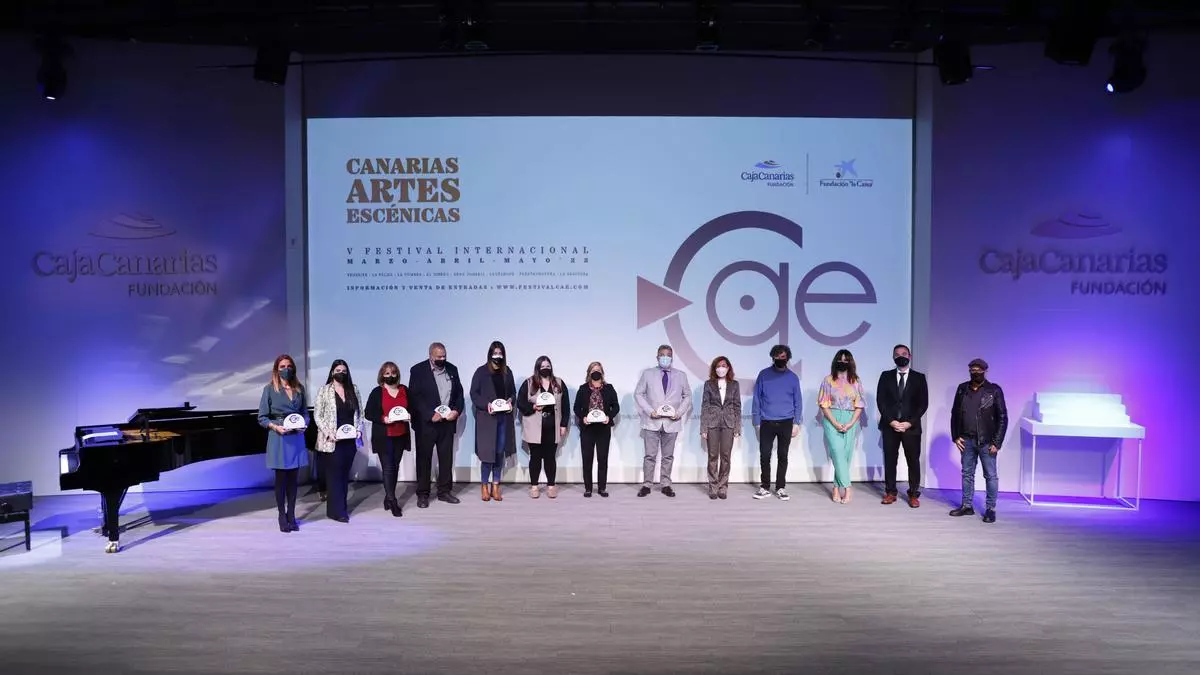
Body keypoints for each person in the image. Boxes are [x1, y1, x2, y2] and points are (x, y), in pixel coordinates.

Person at [950, 358, 1008, 523]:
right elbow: (955, 413)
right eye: (972, 370)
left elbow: (1002, 417)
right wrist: (955, 436)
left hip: (987, 441)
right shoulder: (962, 389)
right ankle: (967, 506)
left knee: (990, 475)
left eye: (978, 370)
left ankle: (990, 509)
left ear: (985, 371)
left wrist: (997, 442)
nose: (975, 372)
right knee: (967, 474)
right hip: (966, 440)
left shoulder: (994, 390)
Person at [408, 342, 465, 509]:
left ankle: (444, 492)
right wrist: (429, 415)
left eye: (444, 356)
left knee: (446, 459)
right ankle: (423, 494)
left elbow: (459, 394)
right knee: (424, 459)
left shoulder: (452, 369)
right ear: (430, 356)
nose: (442, 359)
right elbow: (415, 398)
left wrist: (456, 411)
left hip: (447, 422)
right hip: (426, 424)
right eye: (439, 356)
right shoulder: (417, 370)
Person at [257, 354, 309, 532]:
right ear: (276, 370)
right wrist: (275, 427)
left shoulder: (300, 389)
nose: (286, 369)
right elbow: (262, 417)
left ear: (293, 368)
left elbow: (305, 413)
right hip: (279, 438)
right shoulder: (269, 389)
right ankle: (281, 515)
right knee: (281, 480)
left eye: (289, 366)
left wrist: (304, 424)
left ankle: (291, 515)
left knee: (293, 480)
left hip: (296, 437)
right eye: (282, 367)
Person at [633, 344, 691, 498]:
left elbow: (687, 396)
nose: (665, 357)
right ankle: (647, 484)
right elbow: (638, 394)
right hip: (651, 421)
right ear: (657, 357)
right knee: (649, 456)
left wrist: (679, 413)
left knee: (668, 456)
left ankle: (666, 484)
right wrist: (649, 411)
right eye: (662, 355)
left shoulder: (681, 375)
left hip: (672, 422)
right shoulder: (648, 374)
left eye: (668, 355)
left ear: (672, 358)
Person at [875, 344, 929, 507]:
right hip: (890, 426)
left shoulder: (919, 378)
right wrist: (891, 421)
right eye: (897, 354)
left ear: (909, 356)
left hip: (911, 427)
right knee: (890, 460)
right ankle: (890, 492)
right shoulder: (885, 376)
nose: (901, 356)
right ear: (893, 357)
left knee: (913, 460)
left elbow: (923, 404)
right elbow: (881, 401)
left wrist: (909, 422)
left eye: (904, 354)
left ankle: (913, 494)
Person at [314, 359, 363, 523]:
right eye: (338, 370)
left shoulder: (354, 389)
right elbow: (317, 415)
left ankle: (339, 509)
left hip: (350, 440)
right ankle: (338, 512)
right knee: (334, 476)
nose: (341, 373)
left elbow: (360, 413)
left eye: (344, 371)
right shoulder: (324, 390)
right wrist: (327, 432)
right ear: (332, 372)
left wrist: (359, 430)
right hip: (332, 441)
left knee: (343, 476)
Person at [751, 345, 801, 501]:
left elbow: (798, 401)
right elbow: (757, 399)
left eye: (783, 357)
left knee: (782, 455)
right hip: (766, 421)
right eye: (777, 357)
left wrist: (797, 422)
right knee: (765, 455)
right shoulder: (763, 375)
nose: (780, 359)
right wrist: (756, 421)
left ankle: (780, 487)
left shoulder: (793, 378)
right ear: (772, 357)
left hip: (786, 421)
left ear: (788, 358)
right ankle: (765, 487)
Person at [469, 340, 517, 502]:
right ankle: (484, 485)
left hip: (503, 419)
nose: (498, 356)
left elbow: (513, 393)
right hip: (487, 420)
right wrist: (486, 405)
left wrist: (510, 401)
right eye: (495, 353)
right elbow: (474, 394)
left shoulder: (507, 372)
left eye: (500, 353)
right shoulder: (481, 372)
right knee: (487, 455)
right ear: (490, 354)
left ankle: (495, 485)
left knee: (499, 453)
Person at [517, 356, 570, 499]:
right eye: (543, 366)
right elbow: (520, 403)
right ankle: (534, 486)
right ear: (537, 368)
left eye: (548, 366)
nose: (546, 368)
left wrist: (563, 424)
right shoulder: (529, 383)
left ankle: (551, 486)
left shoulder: (559, 383)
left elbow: (565, 405)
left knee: (550, 458)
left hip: (553, 427)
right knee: (535, 458)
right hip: (534, 427)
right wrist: (533, 407)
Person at [818, 350, 866, 504]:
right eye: (840, 359)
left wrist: (851, 423)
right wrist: (834, 422)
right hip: (831, 417)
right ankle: (848, 488)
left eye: (846, 360)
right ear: (835, 361)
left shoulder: (856, 380)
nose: (843, 362)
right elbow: (823, 404)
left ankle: (836, 487)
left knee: (846, 455)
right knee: (837, 452)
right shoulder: (828, 380)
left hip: (850, 419)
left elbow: (860, 404)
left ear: (850, 362)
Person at [363, 361, 410, 517]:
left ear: (397, 374)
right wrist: (383, 418)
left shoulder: (404, 390)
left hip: (401, 435)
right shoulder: (377, 392)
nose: (391, 376)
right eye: (387, 373)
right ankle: (392, 500)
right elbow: (368, 413)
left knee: (394, 467)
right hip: (384, 436)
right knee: (388, 468)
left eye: (393, 373)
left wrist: (410, 415)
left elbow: (412, 408)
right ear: (382, 375)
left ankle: (388, 497)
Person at [573, 361, 620, 498]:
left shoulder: (609, 388)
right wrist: (583, 417)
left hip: (603, 429)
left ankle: (602, 488)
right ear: (589, 373)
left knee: (602, 459)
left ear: (602, 372)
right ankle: (588, 488)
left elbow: (616, 406)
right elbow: (576, 407)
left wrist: (609, 416)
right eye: (593, 370)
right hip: (587, 429)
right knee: (587, 459)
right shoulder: (583, 389)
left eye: (598, 370)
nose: (596, 372)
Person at [700, 356, 741, 500]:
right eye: (718, 366)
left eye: (723, 365)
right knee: (712, 456)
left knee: (725, 456)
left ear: (728, 368)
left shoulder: (734, 384)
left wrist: (737, 427)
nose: (721, 368)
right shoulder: (708, 384)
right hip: (712, 423)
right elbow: (705, 406)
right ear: (714, 368)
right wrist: (703, 428)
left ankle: (723, 487)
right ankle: (713, 487)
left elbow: (737, 406)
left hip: (729, 424)